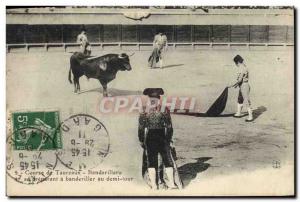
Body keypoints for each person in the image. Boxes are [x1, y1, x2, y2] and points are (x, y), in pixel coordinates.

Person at [138, 88, 182, 190]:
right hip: (162, 136)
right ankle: (172, 184)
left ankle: (154, 186)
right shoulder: (164, 109)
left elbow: (141, 127)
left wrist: (141, 140)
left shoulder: (144, 109)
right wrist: (168, 139)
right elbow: (169, 126)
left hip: (150, 137)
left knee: (151, 161)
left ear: (149, 98)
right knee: (167, 160)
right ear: (159, 98)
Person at [228, 55, 253, 122]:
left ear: (238, 62)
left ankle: (250, 117)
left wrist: (231, 85)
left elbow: (239, 80)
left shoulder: (242, 68)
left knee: (246, 101)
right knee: (240, 99)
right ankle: (239, 113)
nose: (236, 64)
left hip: (244, 86)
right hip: (242, 85)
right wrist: (237, 85)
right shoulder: (244, 67)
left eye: (236, 63)